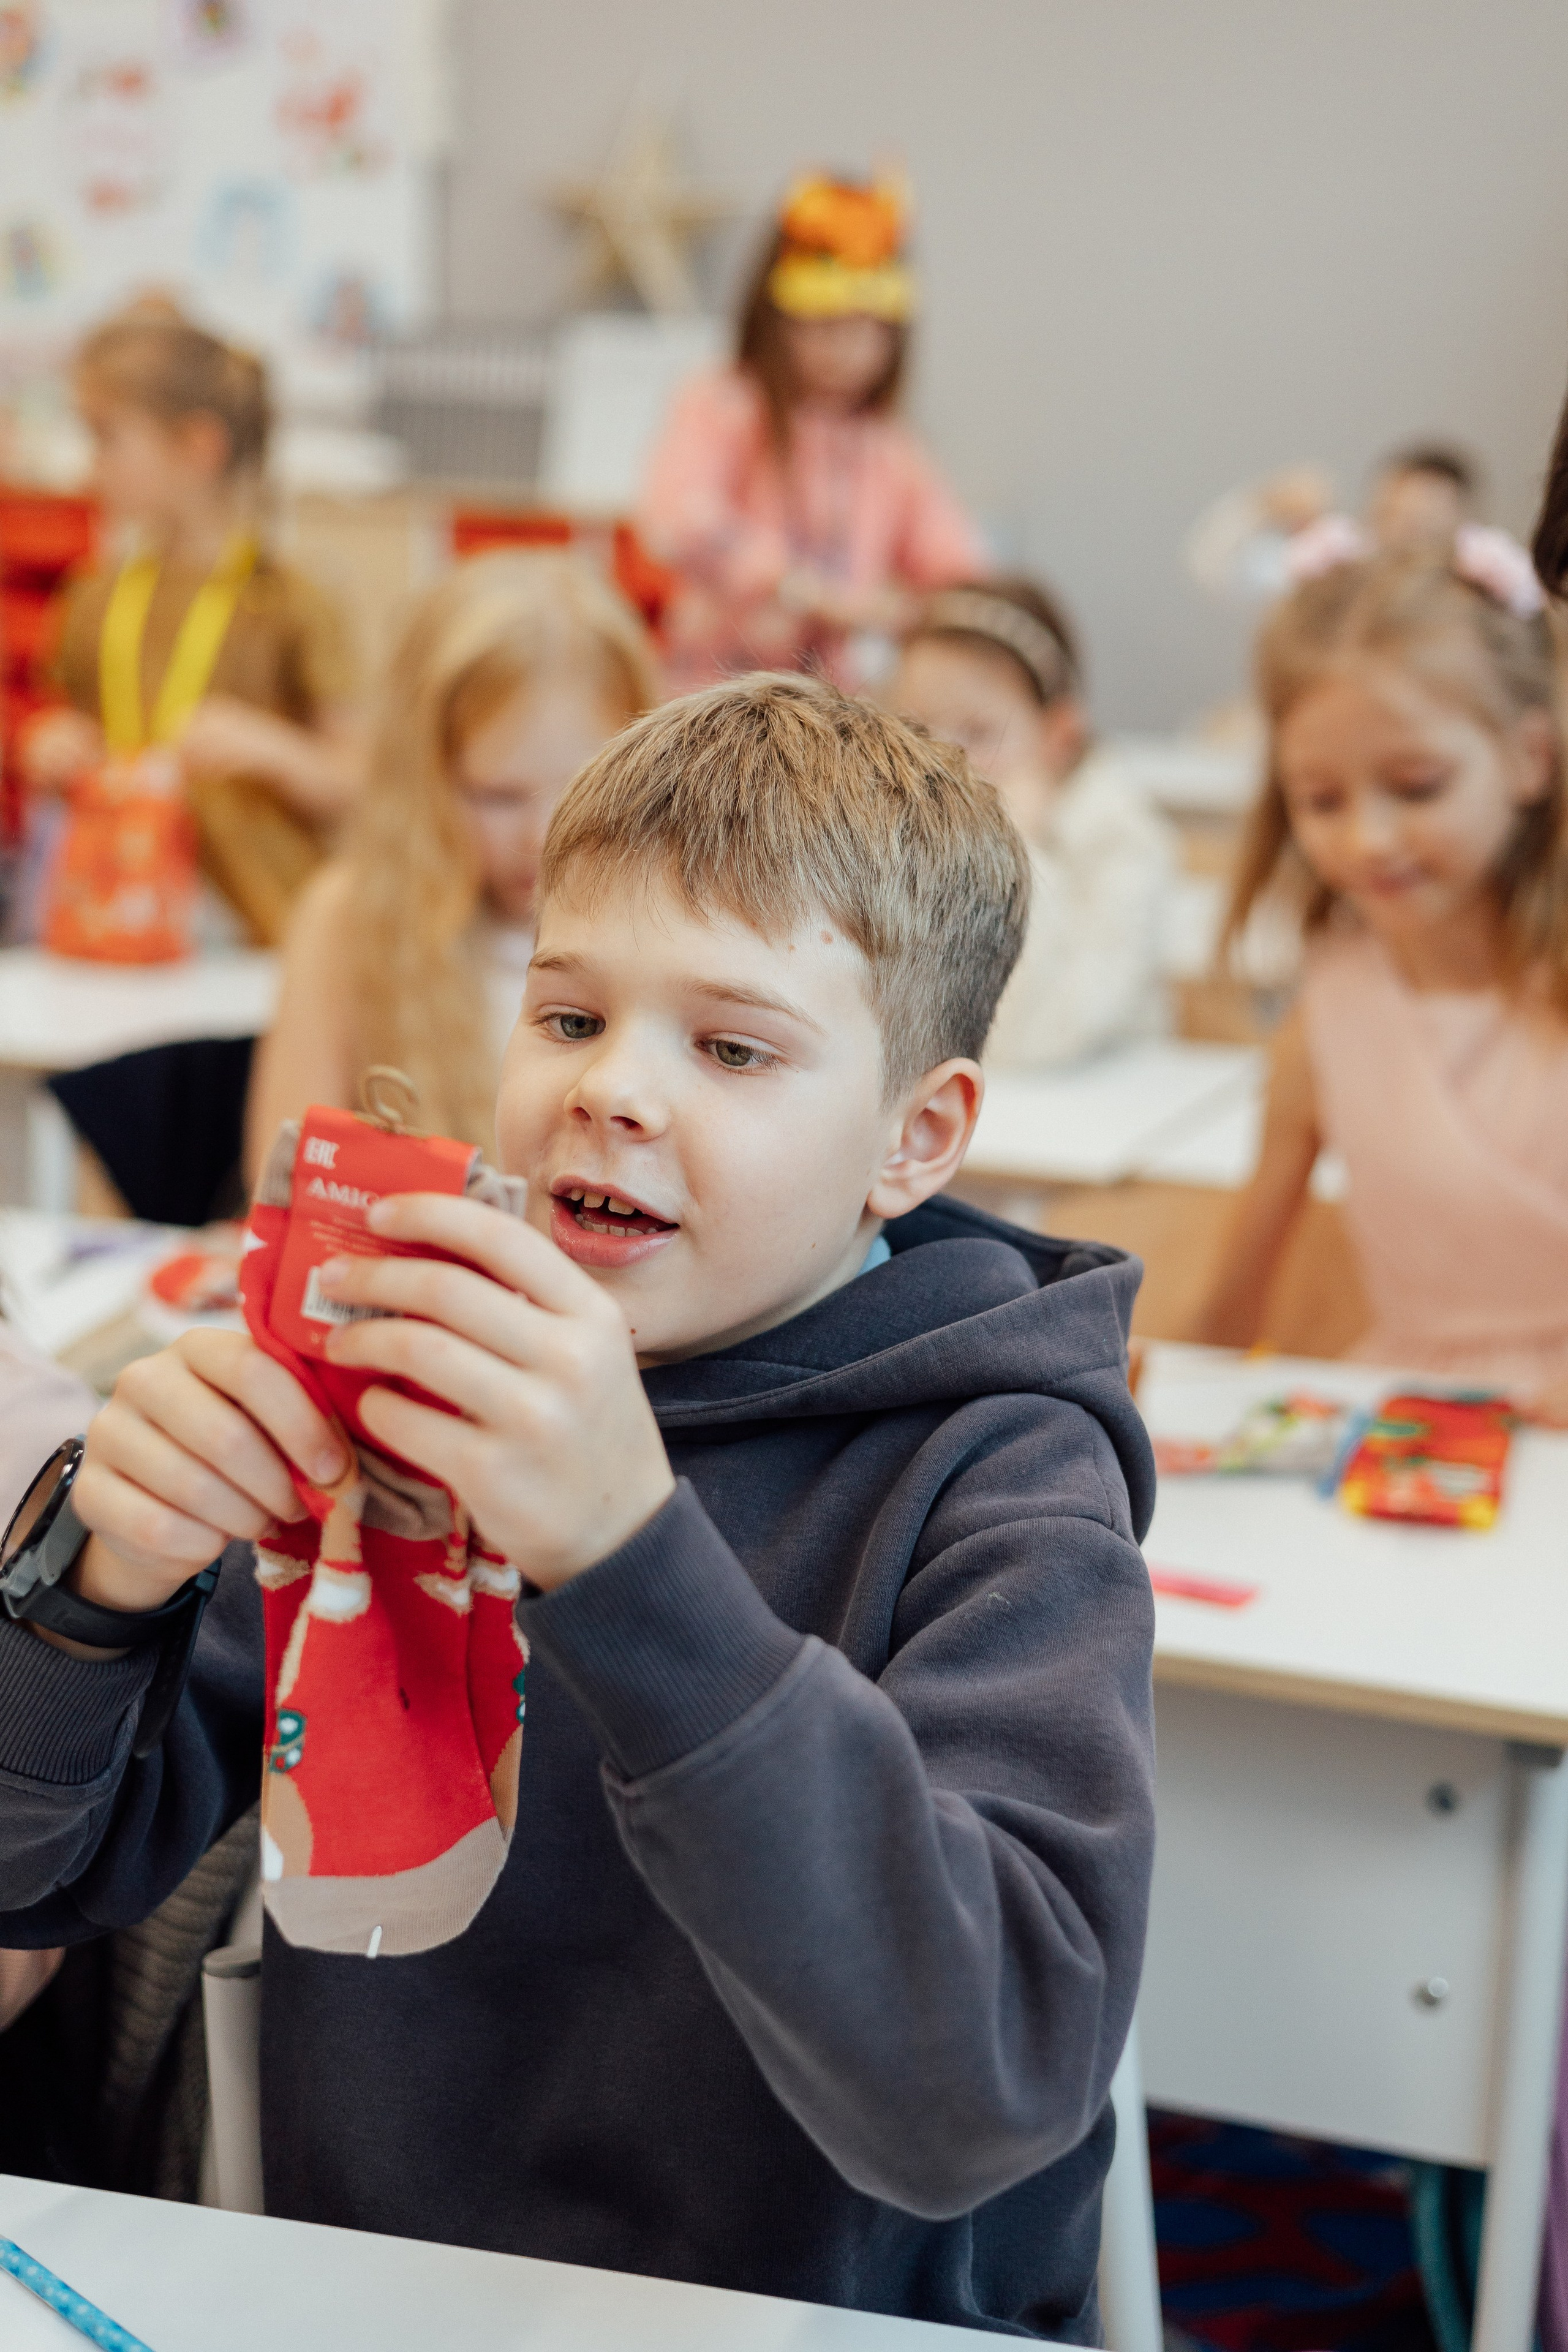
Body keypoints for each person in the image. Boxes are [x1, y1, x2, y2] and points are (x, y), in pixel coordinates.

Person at [0, 674, 1156, 2341]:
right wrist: (94, 1583)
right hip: (377, 2303)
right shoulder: (403, 1380)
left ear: (917, 1134)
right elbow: (35, 1878)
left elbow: (973, 2090)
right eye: (567, 1017)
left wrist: (625, 1554)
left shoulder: (1004, 1474)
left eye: (734, 1045)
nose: (613, 1088)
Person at [1193, 544, 1568, 1415]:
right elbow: (1231, 1307)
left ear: (1529, 758)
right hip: (1415, 1433)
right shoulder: (1329, 1016)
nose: (1367, 840)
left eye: (1416, 786)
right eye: (1322, 800)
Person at [246, 551, 658, 1169]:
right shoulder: (347, 923)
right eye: (497, 796)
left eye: (582, 789)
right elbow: (288, 1186)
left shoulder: (666, 931)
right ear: (424, 782)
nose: (543, 836)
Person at [21, 306, 361, 949]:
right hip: (111, 909)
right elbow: (67, 722)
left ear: (197, 447)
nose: (88, 467)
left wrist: (274, 750)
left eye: (106, 437)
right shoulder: (96, 596)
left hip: (256, 927)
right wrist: (50, 744)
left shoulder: (291, 602)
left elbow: (357, 784)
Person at [638, 174, 987, 693]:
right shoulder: (724, 403)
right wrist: (804, 590)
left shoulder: (891, 448)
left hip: (831, 704)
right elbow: (678, 520)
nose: (846, 351)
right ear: (775, 319)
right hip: (713, 696)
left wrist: (911, 612)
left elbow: (958, 566)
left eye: (869, 329)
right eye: (824, 326)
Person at [888, 578, 1175, 1066]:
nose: (937, 763)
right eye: (915, 730)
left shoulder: (1122, 842)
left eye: (976, 734)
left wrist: (1019, 853)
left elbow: (1032, 1041)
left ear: (1058, 736)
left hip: (1091, 1119)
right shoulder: (903, 832)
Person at [1185, 442, 1513, 606]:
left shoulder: (1495, 584)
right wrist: (1262, 505)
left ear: (1466, 525)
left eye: (1424, 523)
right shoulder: (1340, 565)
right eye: (1393, 515)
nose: (1405, 535)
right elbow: (1220, 570)